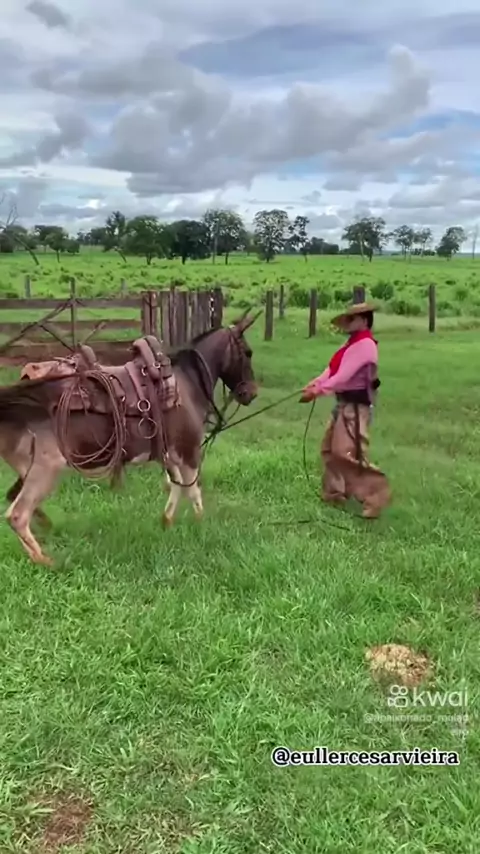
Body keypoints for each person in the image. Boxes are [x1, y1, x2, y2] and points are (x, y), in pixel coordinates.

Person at [300, 301, 391, 519]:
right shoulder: (351, 344)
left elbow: (343, 377)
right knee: (329, 449)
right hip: (343, 405)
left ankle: (375, 496)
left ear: (364, 320)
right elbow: (332, 370)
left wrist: (319, 391)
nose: (348, 323)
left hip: (356, 408)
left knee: (346, 453)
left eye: (352, 319)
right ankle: (334, 494)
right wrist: (316, 382)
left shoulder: (365, 345)